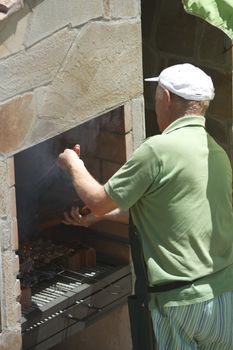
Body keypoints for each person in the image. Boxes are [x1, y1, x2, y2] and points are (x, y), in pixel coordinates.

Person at [58, 63, 233, 349]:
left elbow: (98, 202)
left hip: (181, 303)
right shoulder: (216, 153)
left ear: (165, 97)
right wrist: (99, 220)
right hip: (224, 298)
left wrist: (72, 164)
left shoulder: (158, 150)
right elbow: (168, 215)